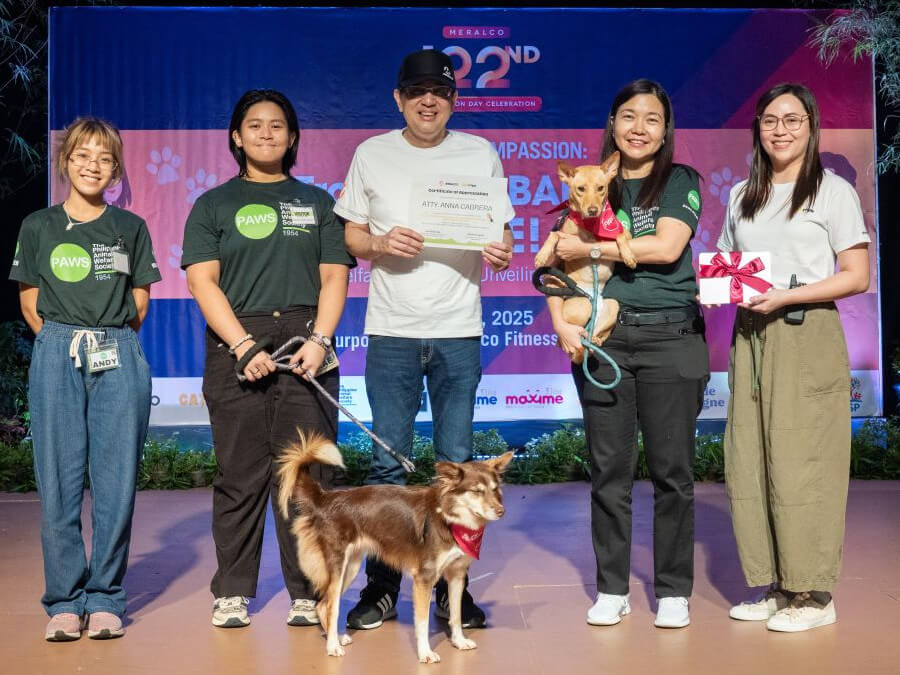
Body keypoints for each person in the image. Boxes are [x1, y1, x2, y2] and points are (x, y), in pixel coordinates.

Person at [334, 48, 515, 631]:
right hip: (392, 330)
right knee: (387, 465)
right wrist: (381, 243)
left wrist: (501, 250)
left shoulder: (479, 153)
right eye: (416, 92)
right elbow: (353, 237)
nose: (428, 101)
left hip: (459, 329)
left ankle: (451, 592)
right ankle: (383, 586)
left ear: (454, 99)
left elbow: (503, 236)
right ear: (399, 99)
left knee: (459, 468)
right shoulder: (372, 153)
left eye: (439, 91)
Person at [181, 89, 355, 629]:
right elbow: (202, 281)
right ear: (236, 136)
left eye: (277, 125)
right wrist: (243, 345)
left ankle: (308, 591)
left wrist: (319, 340)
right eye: (254, 125)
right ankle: (233, 591)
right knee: (240, 474)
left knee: (306, 474)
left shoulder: (319, 203)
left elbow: (335, 276)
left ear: (293, 136)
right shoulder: (212, 205)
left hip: (307, 342)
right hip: (236, 342)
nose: (265, 133)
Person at [548, 79, 708, 629]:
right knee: (608, 473)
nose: (639, 127)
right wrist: (561, 324)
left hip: (670, 338)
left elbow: (665, 247)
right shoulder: (589, 184)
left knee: (672, 473)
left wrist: (588, 246)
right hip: (604, 337)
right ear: (612, 126)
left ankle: (673, 591)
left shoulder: (679, 181)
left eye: (652, 119)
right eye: (629, 117)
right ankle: (612, 589)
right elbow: (554, 267)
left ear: (665, 131)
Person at [717, 83, 870, 632]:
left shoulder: (832, 191)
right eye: (770, 120)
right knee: (752, 457)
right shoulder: (741, 194)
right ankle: (777, 585)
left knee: (806, 461)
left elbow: (857, 275)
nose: (780, 130)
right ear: (757, 128)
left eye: (792, 119)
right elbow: (729, 263)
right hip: (750, 335)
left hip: (806, 331)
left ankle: (816, 594)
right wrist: (715, 286)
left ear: (810, 126)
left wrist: (786, 295)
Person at [10, 117, 161, 641]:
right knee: (58, 482)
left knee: (116, 482)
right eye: (82, 155)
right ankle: (64, 601)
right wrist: (63, 341)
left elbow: (140, 300)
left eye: (104, 158)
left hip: (117, 348)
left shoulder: (130, 227)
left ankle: (105, 598)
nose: (93, 166)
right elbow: (29, 301)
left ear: (115, 169)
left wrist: (106, 337)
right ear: (65, 161)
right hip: (57, 350)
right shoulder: (38, 225)